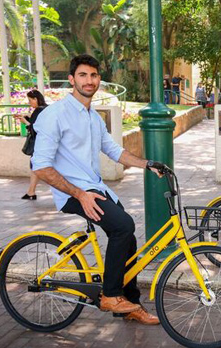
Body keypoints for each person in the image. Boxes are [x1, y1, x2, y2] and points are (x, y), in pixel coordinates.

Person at [32, 54, 164, 325]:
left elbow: (113, 150)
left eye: (93, 76)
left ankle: (130, 305)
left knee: (129, 240)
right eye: (82, 75)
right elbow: (41, 167)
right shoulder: (54, 115)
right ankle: (110, 295)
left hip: (95, 189)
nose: (89, 80)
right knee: (123, 226)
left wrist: (146, 163)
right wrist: (78, 194)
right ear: (71, 79)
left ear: (98, 80)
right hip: (74, 192)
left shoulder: (93, 118)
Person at [15, 89, 47, 200]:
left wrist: (26, 122)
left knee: (37, 167)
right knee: (35, 167)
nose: (29, 103)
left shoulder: (38, 110)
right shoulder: (47, 109)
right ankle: (31, 192)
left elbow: (35, 129)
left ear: (36, 99)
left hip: (40, 145)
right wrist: (27, 119)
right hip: (46, 144)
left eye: (30, 100)